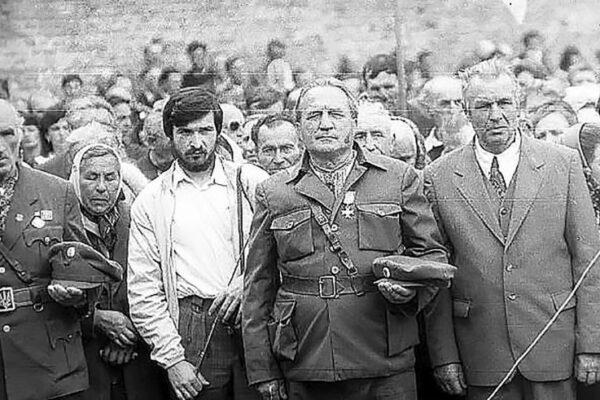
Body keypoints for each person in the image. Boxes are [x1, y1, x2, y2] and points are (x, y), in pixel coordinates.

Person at [242, 78, 448, 400]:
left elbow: (433, 257)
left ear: (353, 122)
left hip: (385, 356)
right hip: (308, 357)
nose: (325, 124)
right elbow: (258, 287)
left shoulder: (398, 178)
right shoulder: (274, 192)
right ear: (299, 127)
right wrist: (263, 369)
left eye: (335, 114)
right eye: (314, 115)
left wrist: (409, 291)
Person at [424, 59, 600, 400]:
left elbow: (588, 261)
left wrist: (591, 345)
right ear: (466, 111)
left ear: (518, 105)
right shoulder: (439, 176)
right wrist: (444, 356)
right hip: (481, 352)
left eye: (504, 103)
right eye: (483, 106)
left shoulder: (562, 164)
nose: (495, 115)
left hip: (553, 346)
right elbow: (436, 274)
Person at [127, 88, 267, 400]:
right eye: (185, 133)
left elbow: (283, 250)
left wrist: (249, 282)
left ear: (218, 132)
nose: (196, 143)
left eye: (205, 131)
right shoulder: (152, 200)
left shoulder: (250, 182)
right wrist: (173, 359)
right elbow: (144, 289)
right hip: (194, 324)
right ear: (170, 135)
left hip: (253, 316)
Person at [0, 98, 94, 400]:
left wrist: (77, 293)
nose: (0, 147)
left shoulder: (55, 191)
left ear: (21, 135)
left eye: (6, 134)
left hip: (49, 366)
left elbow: (87, 276)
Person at [69, 143, 169, 400]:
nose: (102, 187)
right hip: (84, 366)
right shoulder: (60, 224)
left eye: (110, 177)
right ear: (76, 178)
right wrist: (96, 320)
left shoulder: (139, 219)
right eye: (92, 177)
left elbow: (163, 284)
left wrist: (129, 333)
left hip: (140, 364)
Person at [411, 76, 474, 160]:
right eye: (445, 103)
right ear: (428, 109)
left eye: (458, 102)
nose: (453, 109)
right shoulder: (424, 151)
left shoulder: (479, 143)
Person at [135, 111, 174, 180]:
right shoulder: (138, 173)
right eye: (169, 136)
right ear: (152, 142)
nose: (175, 140)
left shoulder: (185, 165)